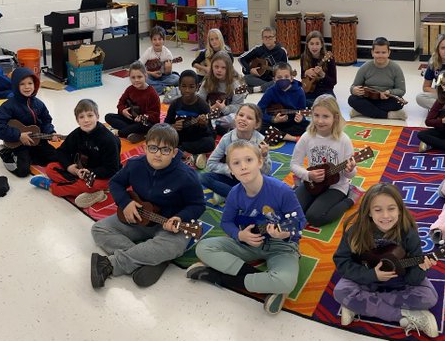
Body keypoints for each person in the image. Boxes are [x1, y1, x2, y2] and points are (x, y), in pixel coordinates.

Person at [188, 140, 304, 314]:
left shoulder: (282, 190)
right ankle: (268, 285)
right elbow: (226, 222)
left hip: (282, 246)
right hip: (247, 243)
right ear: (231, 170)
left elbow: (300, 222)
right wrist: (240, 235)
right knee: (204, 247)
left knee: (286, 281)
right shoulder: (235, 193)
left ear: (260, 162)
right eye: (236, 163)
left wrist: (283, 234)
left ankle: (218, 277)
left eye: (248, 160)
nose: (243, 166)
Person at [90, 123, 205, 289]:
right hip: (140, 217)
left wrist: (180, 217)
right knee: (99, 229)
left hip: (169, 225)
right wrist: (126, 202)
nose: (158, 154)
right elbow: (115, 182)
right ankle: (149, 258)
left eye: (165, 150)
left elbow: (198, 205)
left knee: (174, 246)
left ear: (174, 152)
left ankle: (109, 264)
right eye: (153, 148)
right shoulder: (134, 165)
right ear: (144, 148)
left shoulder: (187, 176)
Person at [333, 183, 440, 337]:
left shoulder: (409, 233)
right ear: (369, 212)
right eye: (378, 210)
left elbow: (413, 279)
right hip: (365, 278)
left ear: (400, 210)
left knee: (429, 297)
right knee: (340, 291)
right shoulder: (355, 232)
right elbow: (342, 262)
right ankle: (404, 316)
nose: (385, 216)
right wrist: (372, 275)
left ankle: (358, 304)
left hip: (399, 280)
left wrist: (421, 268)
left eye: (391, 209)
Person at [29, 99, 121, 208]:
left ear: (97, 116)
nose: (86, 120)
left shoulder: (108, 140)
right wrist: (71, 168)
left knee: (94, 184)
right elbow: (61, 152)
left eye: (90, 115)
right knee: (50, 168)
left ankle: (52, 187)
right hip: (80, 170)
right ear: (77, 120)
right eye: (82, 117)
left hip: (102, 176)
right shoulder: (77, 133)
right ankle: (89, 190)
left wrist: (89, 172)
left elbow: (112, 168)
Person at [290, 95, 357, 227]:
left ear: (335, 117)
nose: (320, 121)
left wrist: (350, 170)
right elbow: (294, 164)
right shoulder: (307, 137)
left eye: (325, 116)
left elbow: (351, 174)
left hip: (336, 186)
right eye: (316, 115)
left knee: (314, 217)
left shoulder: (343, 140)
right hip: (313, 183)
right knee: (291, 211)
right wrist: (308, 175)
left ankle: (351, 198)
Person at [0, 67, 60, 178]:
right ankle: (7, 153)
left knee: (57, 158)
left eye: (30, 83)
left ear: (35, 84)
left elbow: (46, 120)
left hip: (36, 139)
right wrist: (18, 135)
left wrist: (50, 132)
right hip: (18, 143)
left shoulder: (39, 104)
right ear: (15, 86)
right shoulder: (9, 106)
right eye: (22, 84)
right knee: (22, 171)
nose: (27, 87)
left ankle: (31, 155)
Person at [200, 104, 272, 199]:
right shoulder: (227, 139)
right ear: (235, 117)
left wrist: (264, 155)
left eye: (249, 118)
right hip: (232, 177)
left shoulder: (260, 141)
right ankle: (239, 196)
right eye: (241, 115)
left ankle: (230, 195)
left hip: (251, 180)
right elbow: (211, 163)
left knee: (269, 184)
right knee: (202, 177)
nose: (243, 119)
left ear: (257, 124)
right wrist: (230, 170)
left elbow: (266, 172)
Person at [165, 70, 215, 169]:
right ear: (179, 87)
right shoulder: (175, 104)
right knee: (164, 137)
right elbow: (166, 123)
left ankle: (181, 152)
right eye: (184, 86)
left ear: (197, 87)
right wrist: (173, 126)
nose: (187, 90)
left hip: (197, 137)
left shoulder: (203, 106)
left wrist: (202, 125)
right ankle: (190, 155)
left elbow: (210, 132)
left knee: (210, 143)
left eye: (191, 87)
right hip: (181, 136)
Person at [349, 38, 407, 120]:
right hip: (368, 98)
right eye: (377, 52)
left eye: (383, 52)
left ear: (389, 53)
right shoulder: (365, 67)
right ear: (372, 53)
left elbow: (401, 90)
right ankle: (388, 115)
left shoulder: (396, 68)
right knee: (352, 99)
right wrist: (353, 90)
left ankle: (361, 111)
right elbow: (354, 86)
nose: (380, 55)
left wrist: (389, 92)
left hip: (386, 99)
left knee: (399, 103)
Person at [104, 61, 161, 143]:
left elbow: (155, 115)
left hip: (145, 123)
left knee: (143, 126)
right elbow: (120, 103)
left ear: (145, 76)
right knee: (108, 116)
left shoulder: (152, 93)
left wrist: (143, 117)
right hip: (131, 119)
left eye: (139, 77)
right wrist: (123, 111)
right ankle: (135, 133)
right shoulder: (130, 89)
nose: (136, 80)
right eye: (133, 78)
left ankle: (120, 132)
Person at [197, 51, 248, 135]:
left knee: (237, 119)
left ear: (229, 69)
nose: (219, 70)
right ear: (212, 67)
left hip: (226, 116)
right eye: (216, 67)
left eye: (223, 67)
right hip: (208, 114)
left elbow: (239, 107)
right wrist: (208, 108)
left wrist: (225, 109)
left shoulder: (236, 85)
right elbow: (199, 98)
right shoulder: (207, 81)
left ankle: (215, 125)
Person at [256, 62, 308, 141]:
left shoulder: (299, 92)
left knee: (309, 126)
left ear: (291, 78)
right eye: (279, 77)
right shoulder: (271, 91)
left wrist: (301, 118)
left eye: (286, 77)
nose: (283, 79)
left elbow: (302, 111)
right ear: (274, 79)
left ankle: (277, 135)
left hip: (291, 123)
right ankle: (292, 138)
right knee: (258, 125)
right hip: (275, 123)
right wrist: (273, 119)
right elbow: (258, 110)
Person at [239, 27, 289, 91]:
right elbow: (241, 59)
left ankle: (256, 89)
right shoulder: (258, 49)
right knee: (245, 78)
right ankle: (268, 87)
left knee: (284, 81)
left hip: (274, 78)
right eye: (265, 37)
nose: (267, 39)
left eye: (270, 37)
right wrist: (250, 70)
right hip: (260, 77)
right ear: (262, 39)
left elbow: (286, 68)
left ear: (275, 38)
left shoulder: (281, 51)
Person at [300, 31, 338, 103]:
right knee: (298, 99)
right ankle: (316, 105)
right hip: (310, 89)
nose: (314, 47)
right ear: (307, 45)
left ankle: (315, 105)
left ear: (321, 45)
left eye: (317, 44)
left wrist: (322, 74)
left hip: (325, 90)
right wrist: (306, 72)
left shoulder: (329, 59)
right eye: (311, 44)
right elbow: (303, 77)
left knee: (329, 102)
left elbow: (333, 82)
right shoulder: (303, 57)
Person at [140, 26, 179, 94]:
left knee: (176, 78)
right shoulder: (148, 51)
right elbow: (138, 67)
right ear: (151, 40)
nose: (157, 42)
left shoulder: (167, 53)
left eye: (160, 39)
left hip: (164, 76)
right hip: (150, 76)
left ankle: (156, 88)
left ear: (164, 40)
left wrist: (168, 70)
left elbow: (168, 73)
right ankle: (164, 88)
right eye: (154, 39)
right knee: (144, 79)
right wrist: (151, 73)